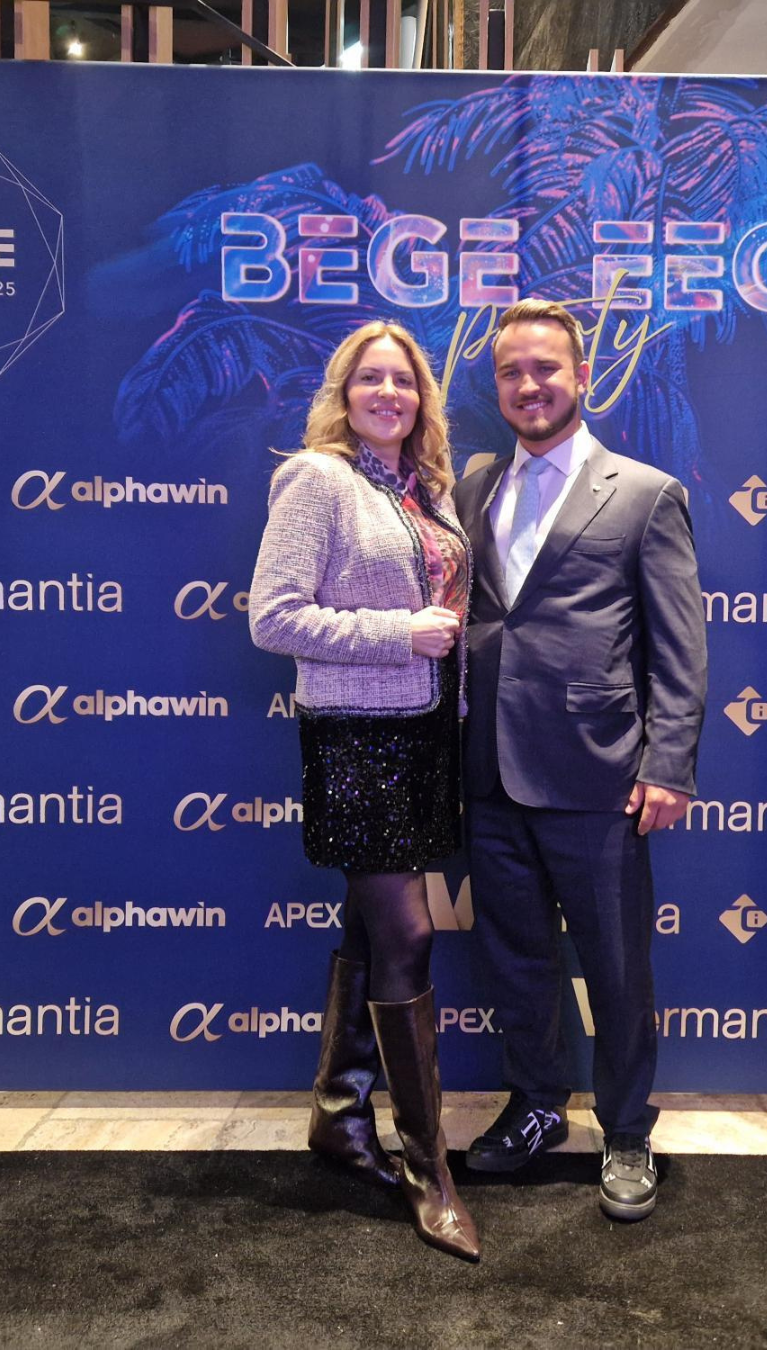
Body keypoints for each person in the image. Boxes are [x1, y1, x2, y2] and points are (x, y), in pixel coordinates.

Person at [453, 298, 707, 1222]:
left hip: (600, 775)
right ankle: (535, 1107)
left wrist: (668, 762)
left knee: (617, 967)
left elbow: (680, 645)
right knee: (516, 960)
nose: (529, 385)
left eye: (546, 368)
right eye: (512, 371)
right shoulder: (474, 486)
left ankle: (628, 1129)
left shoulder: (644, 493)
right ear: (497, 384)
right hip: (489, 771)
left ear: (582, 376)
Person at [248, 321, 479, 1263]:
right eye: (370, 379)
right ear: (343, 394)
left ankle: (339, 1116)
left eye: (405, 381)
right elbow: (273, 617)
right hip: (357, 739)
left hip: (426, 734)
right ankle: (430, 1170)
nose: (389, 393)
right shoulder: (318, 479)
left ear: (423, 399)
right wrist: (398, 633)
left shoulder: (427, 488)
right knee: (409, 934)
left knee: (372, 928)